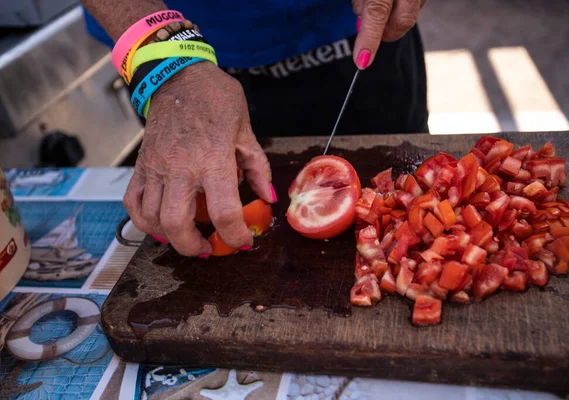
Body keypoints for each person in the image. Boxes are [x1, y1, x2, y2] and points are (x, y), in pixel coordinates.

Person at [81, 0, 429, 257]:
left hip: (355, 33)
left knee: (408, 188)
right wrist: (169, 64)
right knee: (195, 212)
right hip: (163, 51)